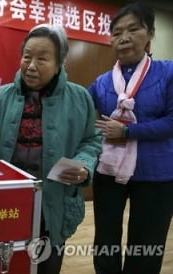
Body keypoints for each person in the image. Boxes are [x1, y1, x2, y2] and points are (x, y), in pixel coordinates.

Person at [0, 24, 102, 273]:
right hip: (7, 201)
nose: (31, 65)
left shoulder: (79, 97)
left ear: (60, 62)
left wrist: (84, 165)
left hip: (54, 201)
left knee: (47, 264)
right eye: (27, 56)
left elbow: (92, 140)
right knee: (7, 262)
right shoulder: (0, 95)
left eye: (42, 59)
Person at [88, 2, 173, 273]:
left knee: (147, 244)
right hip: (109, 171)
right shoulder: (101, 82)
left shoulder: (168, 72)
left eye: (133, 29)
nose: (123, 38)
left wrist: (127, 131)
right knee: (105, 240)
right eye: (117, 32)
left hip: (156, 174)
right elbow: (76, 107)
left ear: (150, 33)